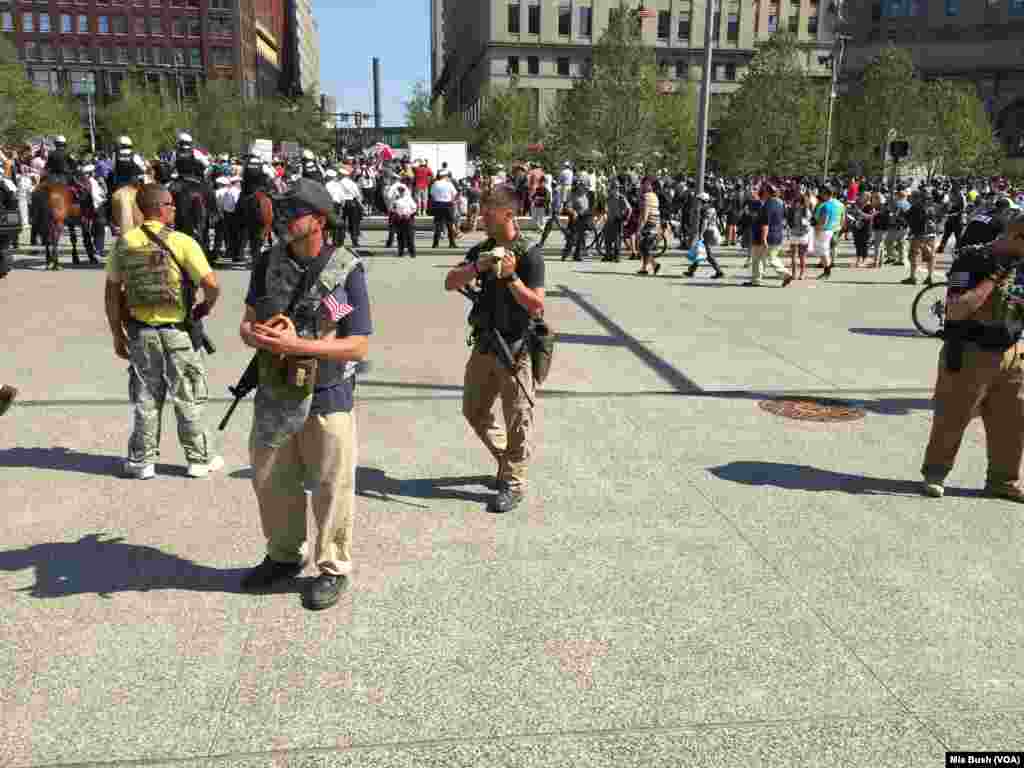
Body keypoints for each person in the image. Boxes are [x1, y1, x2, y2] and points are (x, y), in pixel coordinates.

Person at [237, 178, 372, 610]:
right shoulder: (267, 263)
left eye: (293, 213)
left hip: (327, 393)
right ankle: (282, 556)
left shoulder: (345, 269)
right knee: (273, 480)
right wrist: (257, 335)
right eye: (282, 212)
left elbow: (357, 344)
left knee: (332, 484)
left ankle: (332, 566)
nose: (283, 220)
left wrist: (300, 347)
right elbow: (246, 323)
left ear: (318, 220)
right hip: (275, 392)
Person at [103, 184, 222, 479]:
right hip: (178, 333)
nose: (174, 209)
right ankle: (199, 459)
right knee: (188, 396)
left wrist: (117, 333)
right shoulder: (182, 241)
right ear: (159, 207)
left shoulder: (123, 243)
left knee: (145, 397)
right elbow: (211, 285)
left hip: (141, 334)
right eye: (170, 204)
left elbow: (111, 293)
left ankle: (142, 461)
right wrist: (205, 308)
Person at [444, 184, 544, 513]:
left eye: (488, 212)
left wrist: (512, 278)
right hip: (485, 344)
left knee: (518, 419)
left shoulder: (528, 253)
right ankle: (507, 462)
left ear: (508, 214)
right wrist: (478, 267)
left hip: (515, 349)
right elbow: (450, 281)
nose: (482, 217)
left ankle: (513, 483)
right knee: (474, 409)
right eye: (482, 211)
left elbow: (536, 305)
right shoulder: (484, 249)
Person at [919, 228, 1024, 501]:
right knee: (953, 417)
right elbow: (956, 309)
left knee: (1011, 422)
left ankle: (1003, 480)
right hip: (971, 352)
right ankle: (936, 473)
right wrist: (993, 278)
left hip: (1012, 352)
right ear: (1017, 237)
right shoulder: (972, 258)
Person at [745, 184, 793, 287]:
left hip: (766, 236)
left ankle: (758, 279)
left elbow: (765, 223)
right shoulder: (781, 203)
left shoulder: (767, 205)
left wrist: (763, 238)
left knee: (758, 258)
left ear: (767, 192)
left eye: (764, 190)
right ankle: (785, 274)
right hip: (778, 234)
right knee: (772, 257)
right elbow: (784, 219)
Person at [812, 187, 844, 280]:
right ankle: (827, 271)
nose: (821, 195)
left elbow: (823, 220)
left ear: (826, 194)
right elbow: (842, 217)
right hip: (832, 229)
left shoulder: (825, 205)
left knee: (823, 252)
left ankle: (827, 272)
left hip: (824, 230)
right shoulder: (838, 204)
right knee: (825, 251)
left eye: (822, 193)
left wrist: (817, 229)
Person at [430, 169, 459, 248]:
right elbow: (454, 194)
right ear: (445, 176)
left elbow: (432, 195)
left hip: (438, 204)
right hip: (448, 205)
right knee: (450, 225)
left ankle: (435, 243)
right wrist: (452, 201)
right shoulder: (449, 184)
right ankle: (452, 243)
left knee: (438, 225)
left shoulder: (435, 184)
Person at [391, 183, 417, 258]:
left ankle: (412, 253)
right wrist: (397, 213)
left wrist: (409, 214)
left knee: (410, 236)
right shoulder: (396, 199)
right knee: (400, 236)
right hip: (399, 219)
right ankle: (401, 252)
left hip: (408, 218)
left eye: (402, 191)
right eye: (399, 191)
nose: (400, 192)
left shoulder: (409, 199)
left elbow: (414, 208)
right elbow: (393, 209)